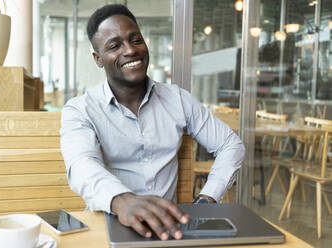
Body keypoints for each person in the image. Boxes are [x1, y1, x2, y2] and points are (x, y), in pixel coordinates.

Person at [60, 4, 245, 241]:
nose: (130, 50)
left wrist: (207, 199)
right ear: (98, 59)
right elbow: (81, 164)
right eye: (114, 46)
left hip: (169, 230)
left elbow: (231, 145)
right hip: (106, 227)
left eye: (135, 39)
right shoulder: (80, 109)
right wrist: (121, 200)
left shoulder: (177, 99)